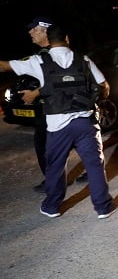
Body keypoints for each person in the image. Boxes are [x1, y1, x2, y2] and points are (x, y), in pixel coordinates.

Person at [0, 24, 117, 219]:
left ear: (49, 39)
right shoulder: (84, 60)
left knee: (55, 166)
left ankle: (52, 207)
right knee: (95, 165)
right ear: (67, 39)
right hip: (85, 122)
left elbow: (4, 66)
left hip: (57, 125)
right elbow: (104, 86)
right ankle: (103, 207)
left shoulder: (38, 61)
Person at [21, 16, 54, 193]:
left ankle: (52, 182)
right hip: (55, 106)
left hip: (51, 107)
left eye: (34, 29)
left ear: (45, 31)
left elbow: (55, 81)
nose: (30, 32)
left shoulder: (48, 54)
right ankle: (93, 169)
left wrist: (35, 93)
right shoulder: (53, 52)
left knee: (42, 143)